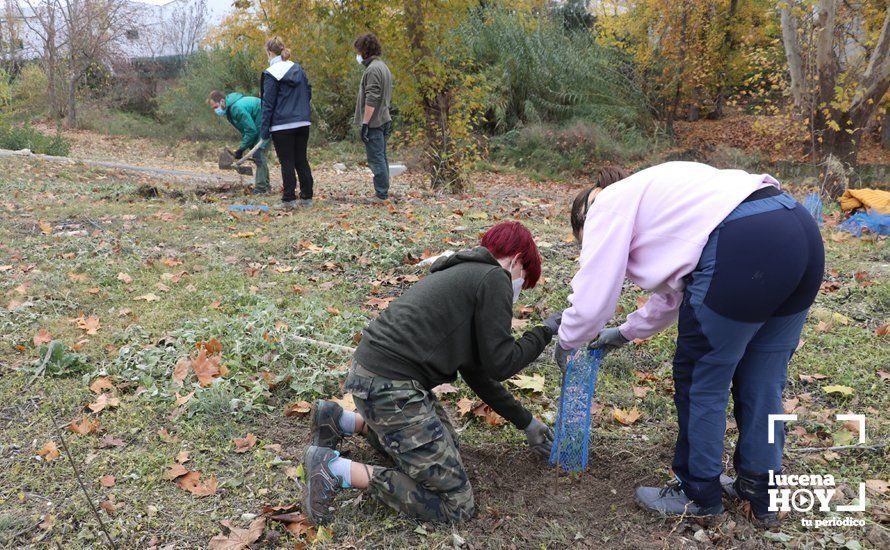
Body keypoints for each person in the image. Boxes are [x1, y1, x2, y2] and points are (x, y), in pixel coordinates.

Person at [557, 161, 823, 527]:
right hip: (798, 230)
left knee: (701, 376)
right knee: (763, 379)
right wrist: (625, 332)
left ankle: (698, 493)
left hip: (743, 246)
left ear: (584, 218)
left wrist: (568, 339)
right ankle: (760, 491)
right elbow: (674, 295)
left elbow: (592, 301)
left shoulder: (606, 205)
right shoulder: (665, 194)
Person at [302, 221, 561, 525]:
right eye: (523, 278)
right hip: (390, 388)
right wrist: (545, 331)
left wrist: (526, 422)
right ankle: (334, 470)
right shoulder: (495, 277)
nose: (518, 287)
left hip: (372, 377)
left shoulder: (464, 275)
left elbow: (478, 373)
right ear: (517, 259)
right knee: (455, 504)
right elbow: (502, 363)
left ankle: (339, 420)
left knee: (449, 447)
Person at [260, 37, 314, 209]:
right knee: (301, 160)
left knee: (287, 162)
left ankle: (288, 199)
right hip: (302, 121)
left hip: (282, 124)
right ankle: (306, 197)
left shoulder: (271, 73)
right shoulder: (298, 69)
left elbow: (268, 103)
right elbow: (308, 91)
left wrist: (264, 130)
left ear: (269, 52)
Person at [353, 33, 394, 202]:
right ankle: (382, 191)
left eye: (358, 50)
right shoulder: (382, 66)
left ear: (364, 50)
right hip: (383, 118)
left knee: (376, 159)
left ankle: (381, 194)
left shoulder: (373, 69)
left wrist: (365, 123)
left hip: (375, 122)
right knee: (381, 157)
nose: (357, 54)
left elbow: (372, 98)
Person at [208, 90, 270, 195]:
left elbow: (251, 130)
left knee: (258, 153)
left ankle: (261, 189)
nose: (216, 110)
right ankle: (265, 186)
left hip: (265, 118)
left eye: (215, 107)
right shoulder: (230, 110)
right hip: (259, 122)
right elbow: (247, 129)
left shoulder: (236, 108)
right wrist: (246, 146)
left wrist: (241, 149)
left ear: (222, 101)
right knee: (257, 154)